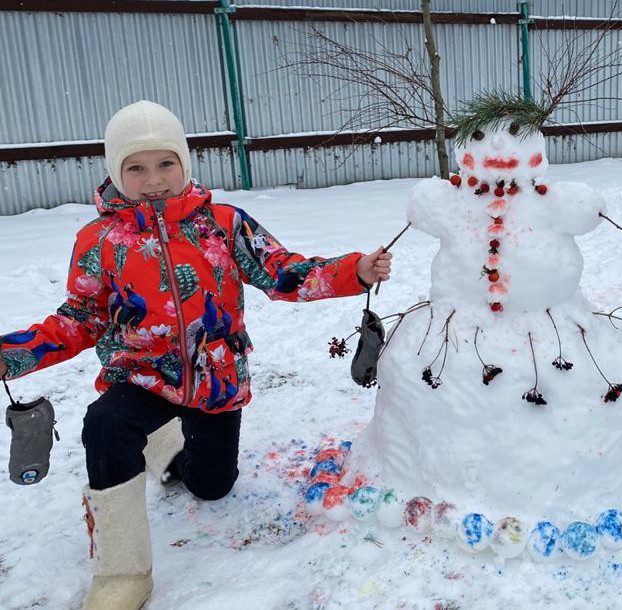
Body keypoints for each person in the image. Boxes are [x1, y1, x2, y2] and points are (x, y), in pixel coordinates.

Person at [0, 100, 393, 610]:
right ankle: (123, 574)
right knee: (104, 423)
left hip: (216, 381)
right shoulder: (99, 241)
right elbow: (81, 316)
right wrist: (13, 354)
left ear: (184, 163)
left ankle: (169, 448)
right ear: (115, 172)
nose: (153, 180)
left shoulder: (223, 223)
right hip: (140, 377)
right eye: (135, 168)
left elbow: (281, 272)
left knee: (211, 487)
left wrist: (353, 272)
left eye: (165, 163)